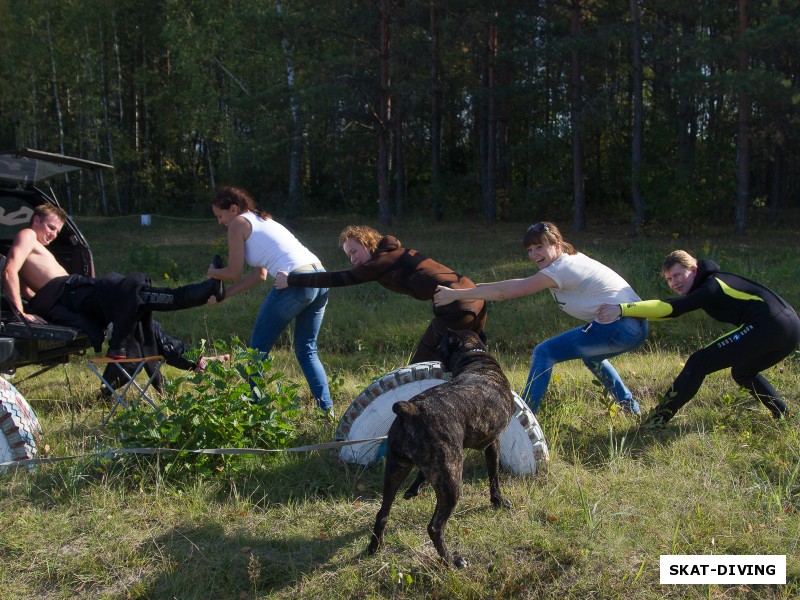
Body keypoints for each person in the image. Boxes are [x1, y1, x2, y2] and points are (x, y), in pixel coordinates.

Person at [433, 221, 648, 415]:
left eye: (540, 247)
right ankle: (631, 408)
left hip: (620, 326)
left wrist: (456, 295)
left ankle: (523, 417)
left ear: (557, 245)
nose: (534, 254)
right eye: (530, 249)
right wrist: (473, 288)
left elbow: (508, 292)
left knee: (544, 352)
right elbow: (520, 282)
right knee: (592, 358)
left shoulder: (563, 268)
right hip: (636, 327)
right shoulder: (568, 261)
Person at [597, 250, 800, 428]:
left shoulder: (711, 286)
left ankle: (657, 420)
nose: (674, 283)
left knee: (698, 362)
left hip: (769, 325)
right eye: (669, 279)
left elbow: (671, 309)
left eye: (678, 275)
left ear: (693, 269)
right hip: (790, 328)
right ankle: (783, 414)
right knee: (743, 371)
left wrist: (621, 310)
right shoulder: (714, 280)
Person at [2, 204, 224, 358]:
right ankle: (205, 291)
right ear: (36, 220)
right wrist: (20, 313)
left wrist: (35, 305)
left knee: (138, 314)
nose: (52, 235)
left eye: (57, 231)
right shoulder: (28, 235)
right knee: (136, 294)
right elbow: (10, 270)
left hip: (72, 295)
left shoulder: (35, 245)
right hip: (71, 294)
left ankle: (194, 359)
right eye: (50, 227)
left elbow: (25, 287)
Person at [273, 225, 487, 364]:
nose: (352, 259)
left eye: (354, 252)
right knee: (473, 360)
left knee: (421, 367)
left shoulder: (382, 261)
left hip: (457, 305)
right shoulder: (392, 254)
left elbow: (338, 279)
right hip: (476, 297)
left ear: (368, 244)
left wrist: (291, 279)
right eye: (348, 255)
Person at [206, 186, 333, 416]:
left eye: (220, 216)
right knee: (307, 349)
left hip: (295, 281)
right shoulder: (262, 221)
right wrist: (225, 294)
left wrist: (212, 273)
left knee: (257, 350)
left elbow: (234, 272)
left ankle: (258, 414)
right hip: (320, 278)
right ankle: (327, 412)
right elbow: (259, 275)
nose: (220, 222)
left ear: (233, 209)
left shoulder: (238, 224)